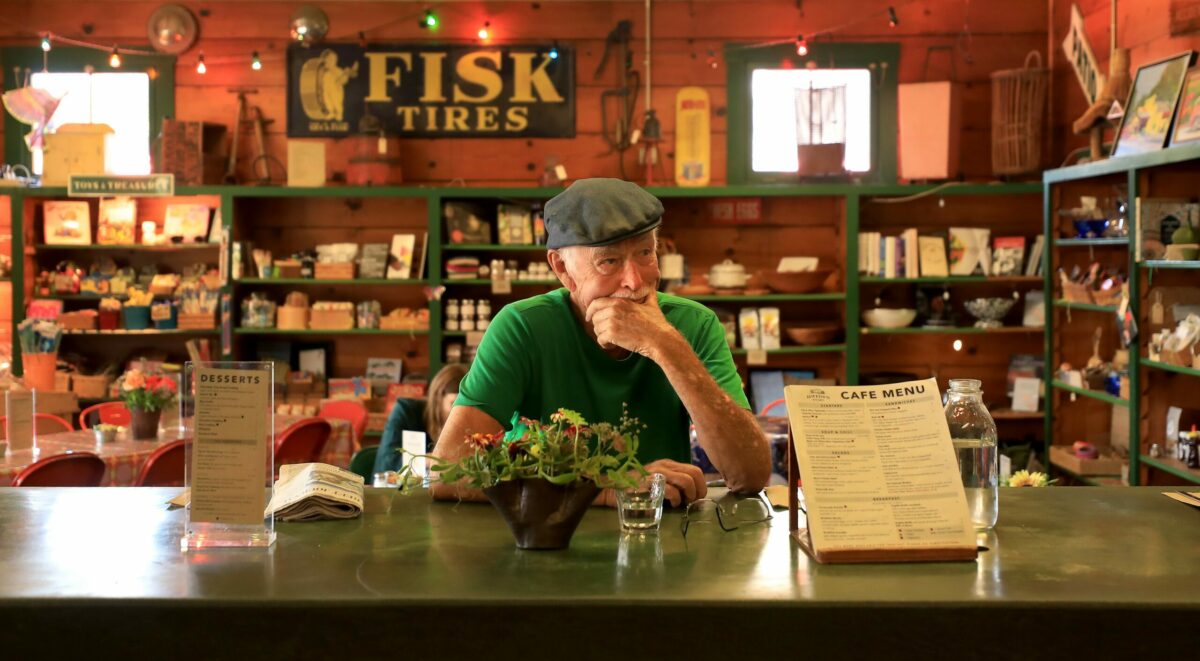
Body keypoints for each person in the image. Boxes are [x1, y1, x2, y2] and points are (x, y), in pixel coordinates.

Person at [431, 178, 771, 506]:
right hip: (547, 544)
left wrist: (665, 345)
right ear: (562, 268)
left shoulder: (694, 324)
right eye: (608, 261)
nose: (634, 281)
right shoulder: (522, 327)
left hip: (660, 539)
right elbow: (447, 473)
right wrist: (606, 489)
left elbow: (750, 475)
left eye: (645, 254)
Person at [373, 364, 468, 474]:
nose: (459, 413)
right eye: (453, 404)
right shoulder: (406, 411)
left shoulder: (469, 421)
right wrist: (436, 459)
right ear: (437, 398)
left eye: (466, 407)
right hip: (391, 488)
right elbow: (388, 462)